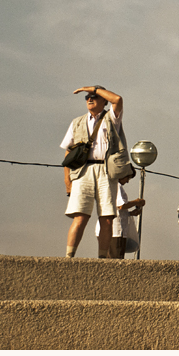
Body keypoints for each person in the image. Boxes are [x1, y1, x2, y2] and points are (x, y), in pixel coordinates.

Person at [61, 85, 124, 258]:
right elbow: (68, 152)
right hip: (82, 171)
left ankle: (102, 259)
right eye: (87, 97)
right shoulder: (77, 122)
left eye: (94, 97)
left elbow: (117, 99)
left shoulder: (111, 117)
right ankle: (69, 257)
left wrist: (93, 88)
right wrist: (68, 181)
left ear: (103, 100)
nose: (89, 99)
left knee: (107, 217)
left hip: (106, 170)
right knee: (80, 216)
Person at [95, 165, 143, 259]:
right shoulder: (117, 186)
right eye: (127, 178)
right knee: (115, 260)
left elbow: (115, 208)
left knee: (108, 258)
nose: (127, 181)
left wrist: (130, 214)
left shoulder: (107, 185)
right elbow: (121, 205)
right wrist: (137, 202)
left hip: (106, 229)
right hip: (115, 231)